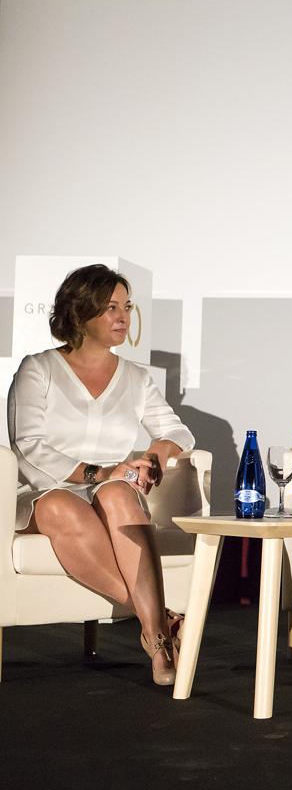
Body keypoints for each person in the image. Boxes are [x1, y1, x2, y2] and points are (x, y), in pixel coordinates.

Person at [7, 264, 195, 686]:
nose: (123, 317)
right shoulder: (38, 369)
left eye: (127, 307)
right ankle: (160, 627)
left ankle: (153, 634)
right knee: (60, 503)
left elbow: (177, 431)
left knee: (115, 494)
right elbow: (28, 446)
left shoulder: (136, 377)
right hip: (47, 490)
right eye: (110, 307)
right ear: (80, 313)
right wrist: (97, 470)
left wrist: (156, 453)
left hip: (115, 490)